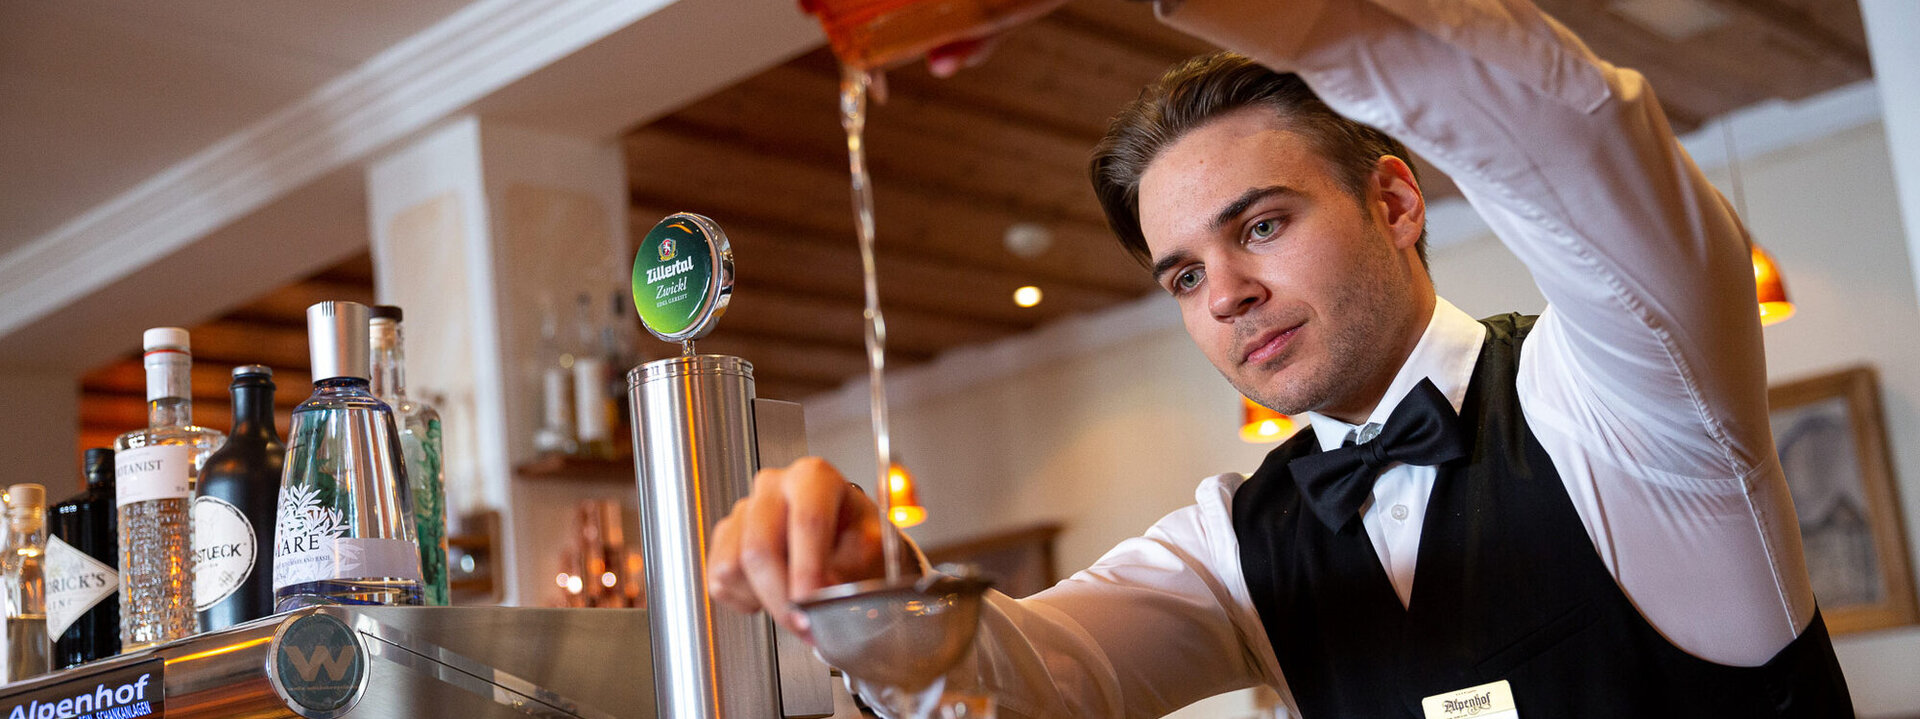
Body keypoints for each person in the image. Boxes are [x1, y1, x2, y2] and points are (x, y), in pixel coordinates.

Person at [708, 0, 1856, 715]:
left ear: (1396, 200)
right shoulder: (1235, 537)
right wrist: (876, 591)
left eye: (1261, 225)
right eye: (1185, 273)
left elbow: (1573, 131)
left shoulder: (1629, 396)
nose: (1230, 295)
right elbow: (1040, 678)